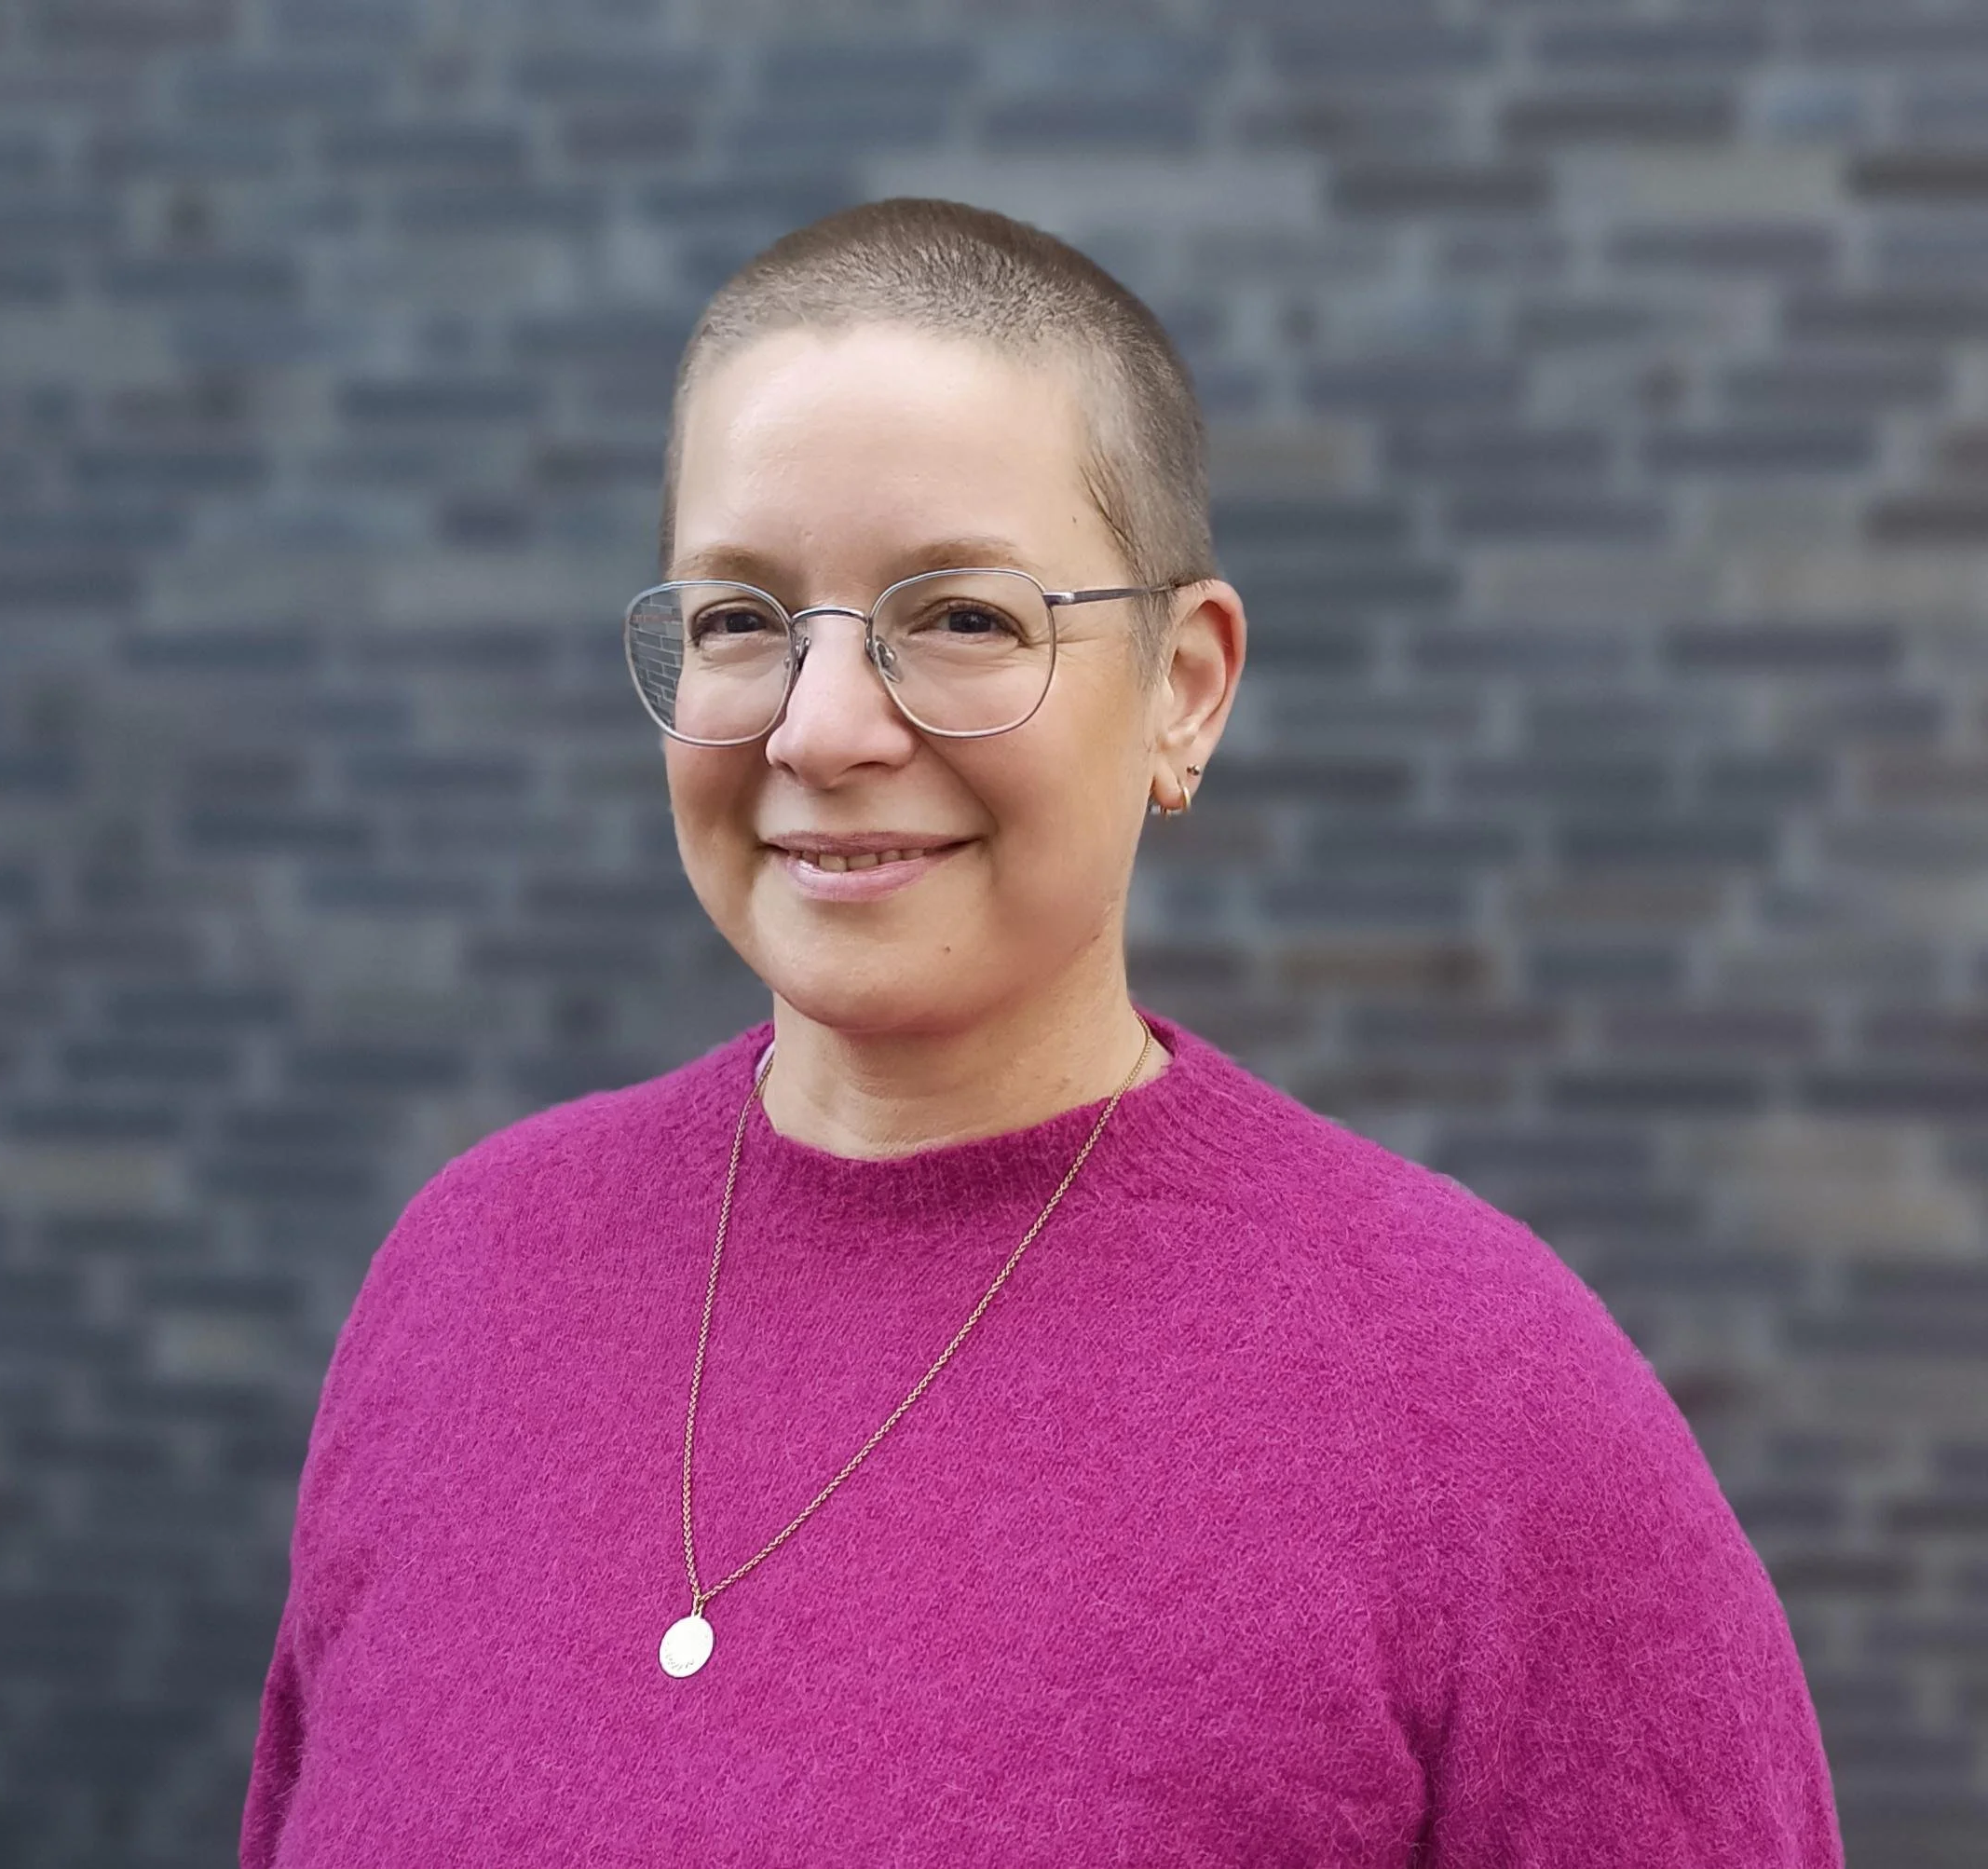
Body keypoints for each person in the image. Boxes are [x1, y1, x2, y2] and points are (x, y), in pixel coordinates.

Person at [240, 198, 1841, 1866]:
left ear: (1185, 687)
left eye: (965, 617)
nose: (826, 722)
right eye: (739, 617)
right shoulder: (468, 1275)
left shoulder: (1483, 1412)